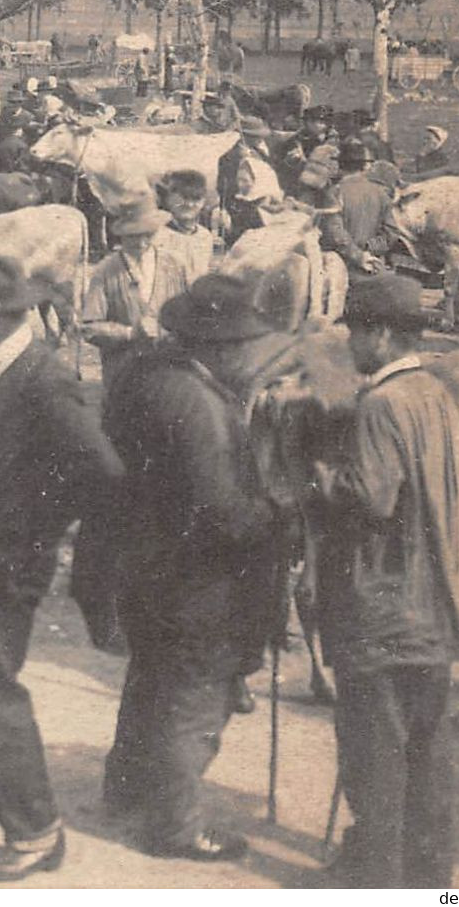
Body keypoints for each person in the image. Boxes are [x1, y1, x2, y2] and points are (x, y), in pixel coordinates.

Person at [0, 255, 123, 881]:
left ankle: (37, 832)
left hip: (5, 562)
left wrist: (33, 534)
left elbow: (100, 470)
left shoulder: (42, 378)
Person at [100, 274, 290, 863]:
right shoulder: (198, 402)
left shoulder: (143, 373)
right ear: (219, 346)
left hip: (147, 565)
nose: (249, 356)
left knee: (152, 679)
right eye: (242, 346)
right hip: (199, 579)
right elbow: (221, 511)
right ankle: (176, 825)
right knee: (195, 697)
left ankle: (127, 790)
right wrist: (284, 511)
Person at [307, 272, 459, 888]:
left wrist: (316, 476)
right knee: (426, 756)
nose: (350, 343)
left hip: (381, 610)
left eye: (354, 330)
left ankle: (373, 878)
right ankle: (431, 884)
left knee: (374, 756)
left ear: (379, 334)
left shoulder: (381, 405)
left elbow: (370, 500)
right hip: (434, 608)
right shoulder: (436, 392)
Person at [83, 201, 189, 390]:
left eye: (148, 235)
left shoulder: (175, 265)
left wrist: (168, 332)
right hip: (123, 378)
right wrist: (129, 333)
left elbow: (190, 315)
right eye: (133, 236)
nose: (141, 243)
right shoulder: (105, 271)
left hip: (168, 375)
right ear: (121, 235)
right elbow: (89, 327)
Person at [321, 140, 392, 277]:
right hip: (374, 265)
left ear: (340, 165)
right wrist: (369, 249)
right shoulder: (380, 193)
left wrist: (359, 256)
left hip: (342, 266)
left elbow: (336, 234)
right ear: (364, 166)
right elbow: (391, 233)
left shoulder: (334, 193)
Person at [153, 170, 217, 285]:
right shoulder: (158, 235)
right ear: (169, 198)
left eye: (196, 199)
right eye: (183, 198)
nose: (189, 204)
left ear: (203, 202)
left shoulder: (205, 237)